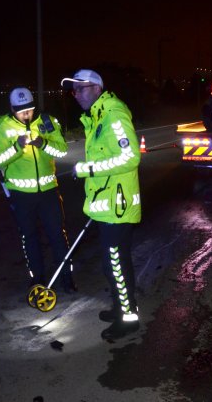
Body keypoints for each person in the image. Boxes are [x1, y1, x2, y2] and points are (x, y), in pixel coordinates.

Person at [61, 69, 142, 339]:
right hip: (106, 204)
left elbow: (130, 157)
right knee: (112, 263)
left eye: (81, 88)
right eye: (73, 90)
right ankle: (122, 307)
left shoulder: (113, 114)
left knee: (116, 264)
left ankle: (128, 318)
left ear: (97, 88)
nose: (76, 94)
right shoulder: (96, 116)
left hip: (117, 206)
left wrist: (86, 168)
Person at [0, 87, 74, 293]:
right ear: (12, 108)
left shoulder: (47, 122)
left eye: (29, 110)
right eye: (21, 111)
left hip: (48, 191)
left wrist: (43, 143)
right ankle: (37, 279)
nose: (26, 115)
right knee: (29, 237)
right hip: (20, 194)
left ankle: (66, 278)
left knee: (58, 235)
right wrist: (17, 147)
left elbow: (62, 151)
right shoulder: (0, 126)